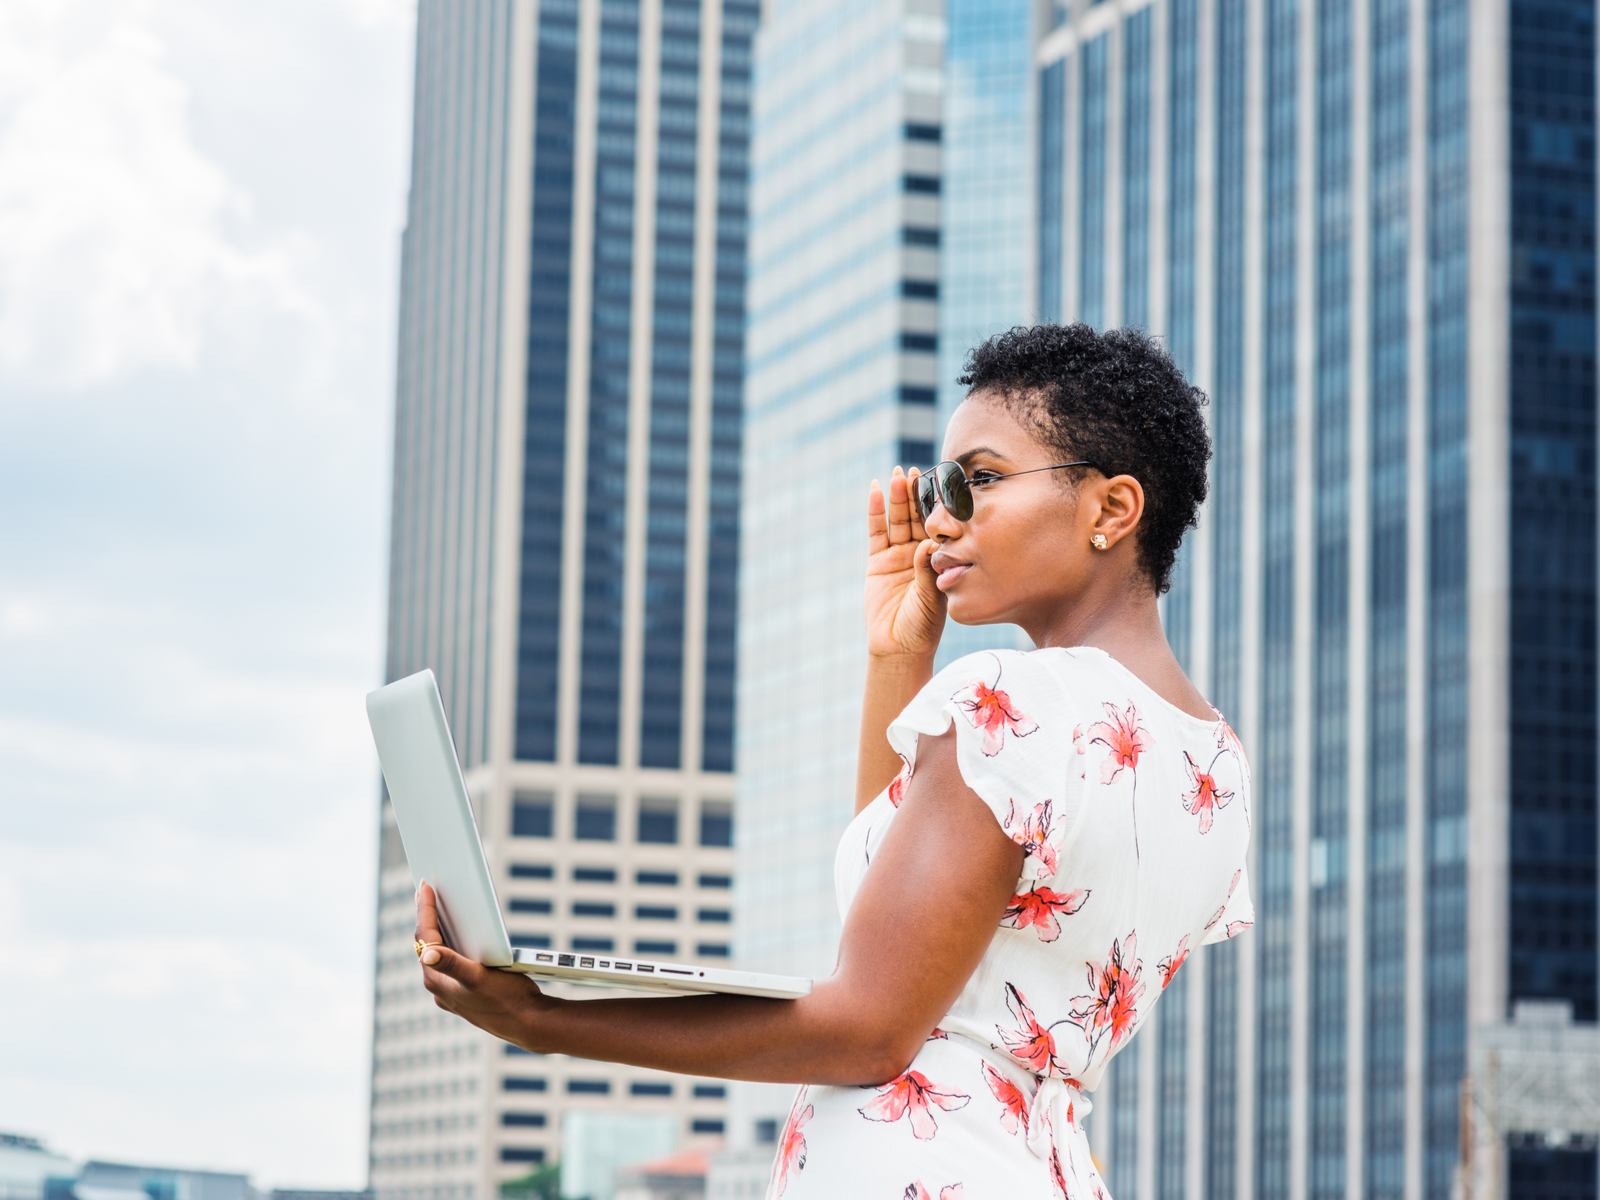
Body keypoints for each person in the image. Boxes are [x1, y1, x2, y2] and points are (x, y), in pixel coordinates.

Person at [412, 323, 1254, 1199]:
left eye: (980, 481)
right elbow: (888, 910)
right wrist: (899, 657)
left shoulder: (1017, 701)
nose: (939, 519)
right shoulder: (1215, 766)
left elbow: (870, 1030)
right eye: (939, 486)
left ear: (1111, 510)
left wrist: (547, 1020)